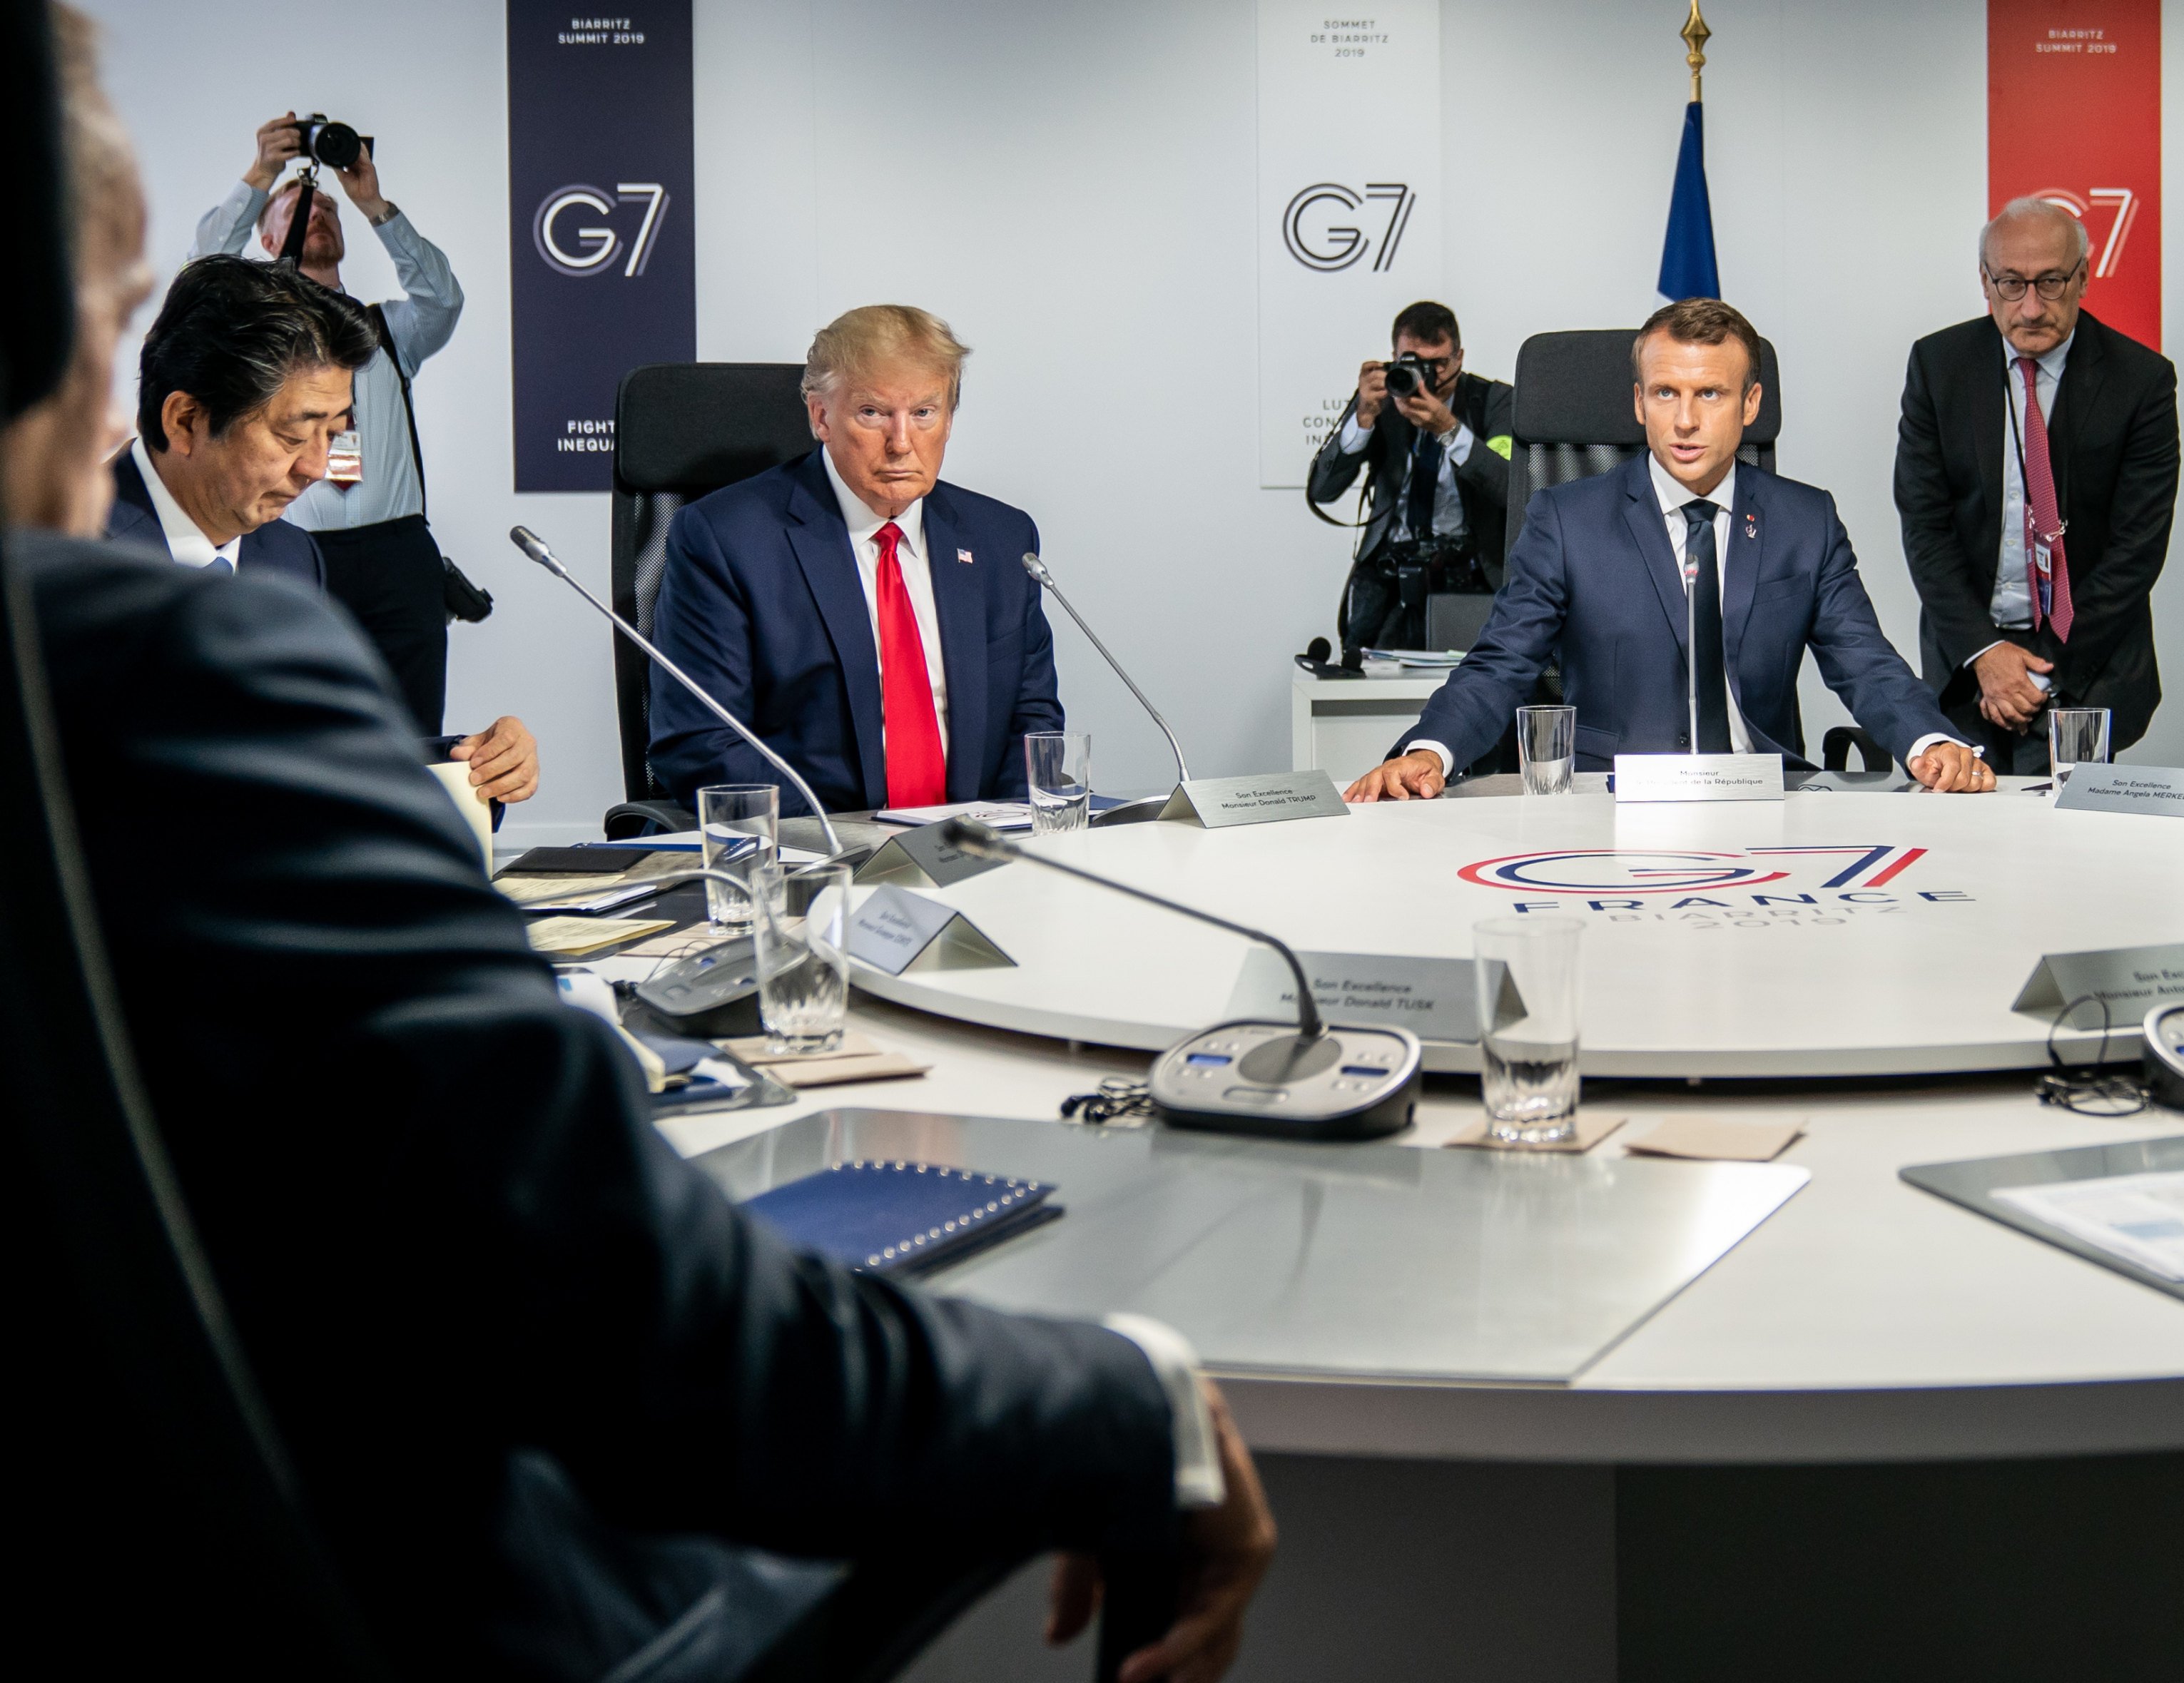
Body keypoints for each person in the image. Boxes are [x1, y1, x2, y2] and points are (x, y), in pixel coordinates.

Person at [8, 14, 1274, 1677]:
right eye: (104, 325)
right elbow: (648, 1336)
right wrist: (1135, 1401)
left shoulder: (991, 547)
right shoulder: (160, 676)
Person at [1347, 298, 1992, 800]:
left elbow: (1866, 663)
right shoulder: (1567, 520)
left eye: (1709, 393)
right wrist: (1428, 751)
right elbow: (1499, 663)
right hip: (1612, 803)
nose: (1685, 420)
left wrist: (1931, 741)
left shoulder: (1806, 520)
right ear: (1639, 402)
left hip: (1767, 805)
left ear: (1750, 404)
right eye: (1666, 393)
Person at [106, 253, 538, 808]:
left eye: (334, 433)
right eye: (293, 436)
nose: (315, 467)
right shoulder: (52, 556)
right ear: (186, 420)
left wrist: (474, 765)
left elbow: (316, 759)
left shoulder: (290, 555)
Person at [651, 305, 1060, 815]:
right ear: (820, 416)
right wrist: (848, 840)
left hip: (974, 850)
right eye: (873, 413)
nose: (901, 443)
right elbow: (701, 742)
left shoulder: (1001, 539)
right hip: (819, 855)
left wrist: (1006, 835)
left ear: (949, 419)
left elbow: (1032, 719)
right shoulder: (727, 539)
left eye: (924, 413)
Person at [194, 110, 471, 735]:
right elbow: (201, 275)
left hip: (399, 552)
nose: (317, 213)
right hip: (292, 549)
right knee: (296, 727)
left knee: (414, 729)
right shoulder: (252, 335)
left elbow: (443, 300)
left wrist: (371, 204)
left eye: (326, 211)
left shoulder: (388, 330)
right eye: (297, 209)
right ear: (267, 241)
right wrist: (264, 174)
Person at [1895, 198, 2180, 773]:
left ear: (2083, 277)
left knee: (2073, 847)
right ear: (1985, 281)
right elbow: (1926, 527)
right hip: (1968, 669)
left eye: (2050, 282)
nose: (2030, 307)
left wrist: (2037, 674)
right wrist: (1987, 654)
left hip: (2088, 671)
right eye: (2011, 283)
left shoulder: (2141, 380)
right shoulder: (1938, 365)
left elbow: (2137, 547)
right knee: (1967, 843)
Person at [1307, 300, 1517, 651]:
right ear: (1394, 356)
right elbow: (1323, 490)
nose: (1428, 375)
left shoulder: (1494, 401)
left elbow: (1508, 486)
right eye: (1415, 362)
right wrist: (1362, 419)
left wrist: (1448, 429)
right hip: (1389, 578)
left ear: (1460, 358)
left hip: (1471, 577)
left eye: (1439, 363)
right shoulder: (1383, 396)